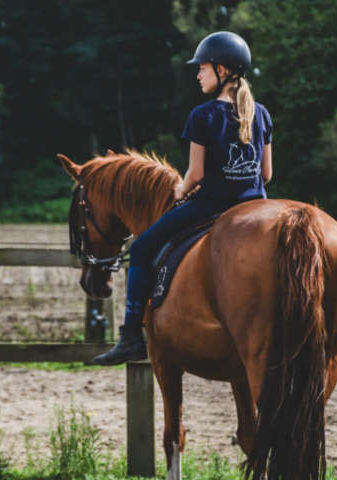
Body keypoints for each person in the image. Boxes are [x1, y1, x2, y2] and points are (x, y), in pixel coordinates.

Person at [94, 31, 273, 366]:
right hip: (255, 207)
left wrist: (179, 192)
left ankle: (131, 335)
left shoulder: (202, 116)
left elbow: (196, 176)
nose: (198, 75)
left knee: (142, 248)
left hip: (211, 206)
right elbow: (266, 175)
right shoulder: (261, 113)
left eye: (202, 68)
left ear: (222, 71)